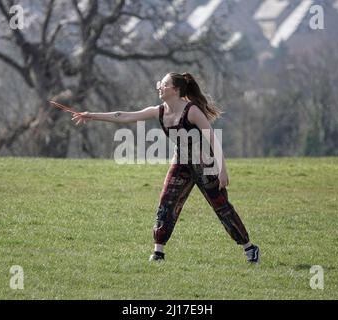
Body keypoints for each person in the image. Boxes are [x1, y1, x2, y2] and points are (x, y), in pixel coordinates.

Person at [71, 72, 260, 263]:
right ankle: (158, 252)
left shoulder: (192, 111)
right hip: (180, 163)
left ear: (176, 90)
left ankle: (249, 248)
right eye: (160, 84)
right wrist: (91, 116)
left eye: (164, 84)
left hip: (205, 164)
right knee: (166, 203)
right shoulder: (159, 111)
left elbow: (212, 138)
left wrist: (222, 170)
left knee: (221, 207)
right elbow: (125, 116)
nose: (159, 87)